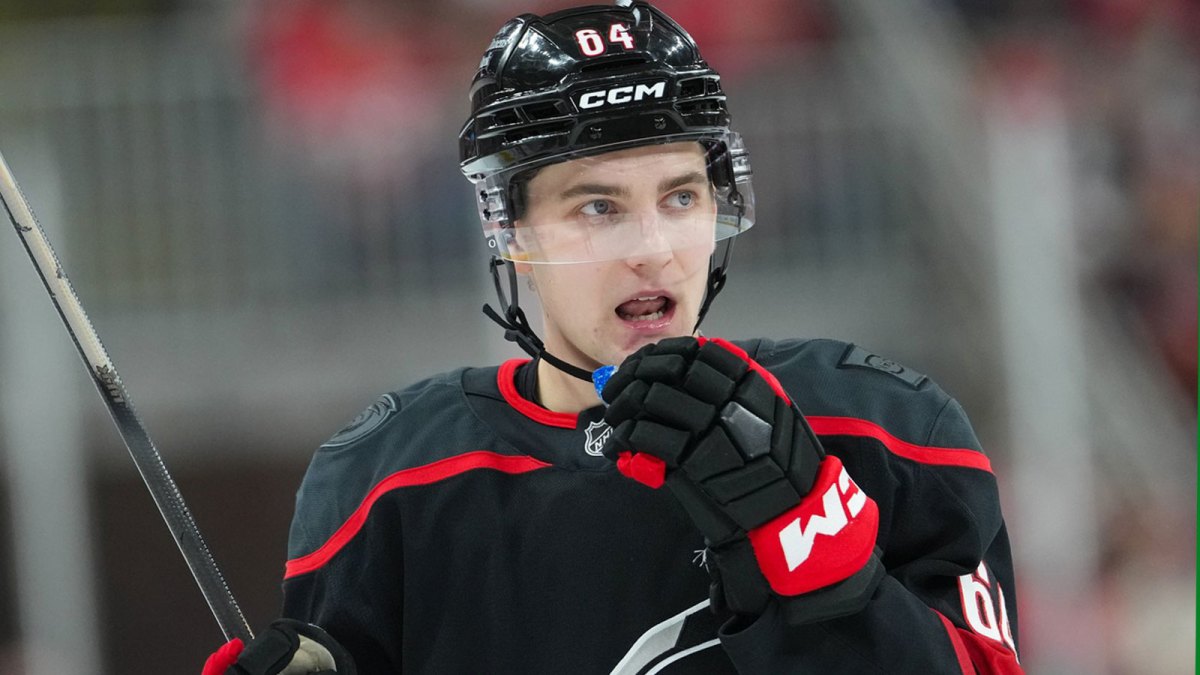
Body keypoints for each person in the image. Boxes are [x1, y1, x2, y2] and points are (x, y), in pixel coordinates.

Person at [204, 2, 1024, 673]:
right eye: (597, 206)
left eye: (680, 196)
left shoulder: (889, 430)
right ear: (509, 228)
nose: (652, 247)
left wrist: (813, 542)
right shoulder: (384, 480)